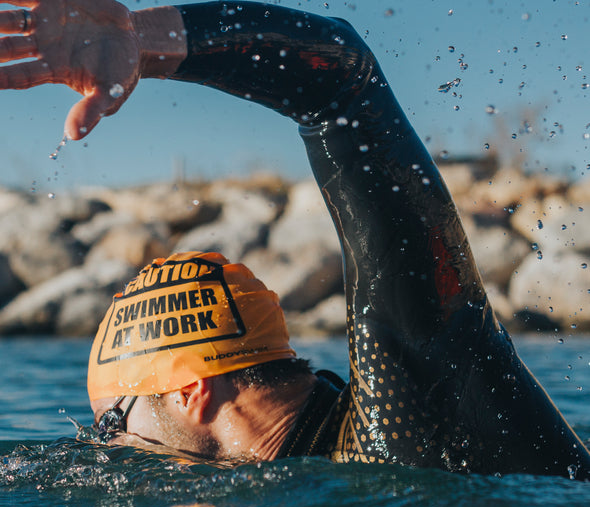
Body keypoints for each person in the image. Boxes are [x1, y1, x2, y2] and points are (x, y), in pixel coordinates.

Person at [2, 0, 590, 479]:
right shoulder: (340, 455)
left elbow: (343, 81)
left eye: (112, 426)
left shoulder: (416, 400)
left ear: (192, 394)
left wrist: (139, 38)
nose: (108, 452)